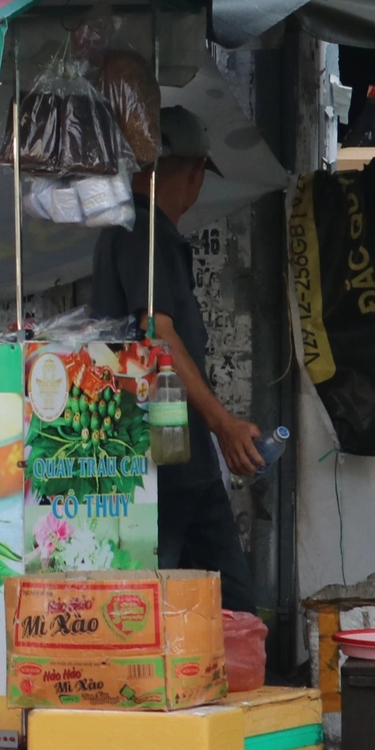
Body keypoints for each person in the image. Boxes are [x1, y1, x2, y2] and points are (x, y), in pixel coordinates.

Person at [89, 106, 259, 613]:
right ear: (190, 171)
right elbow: (157, 332)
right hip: (161, 453)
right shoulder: (142, 231)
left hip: (179, 453)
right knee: (170, 606)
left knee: (225, 606)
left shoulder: (134, 229)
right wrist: (223, 422)